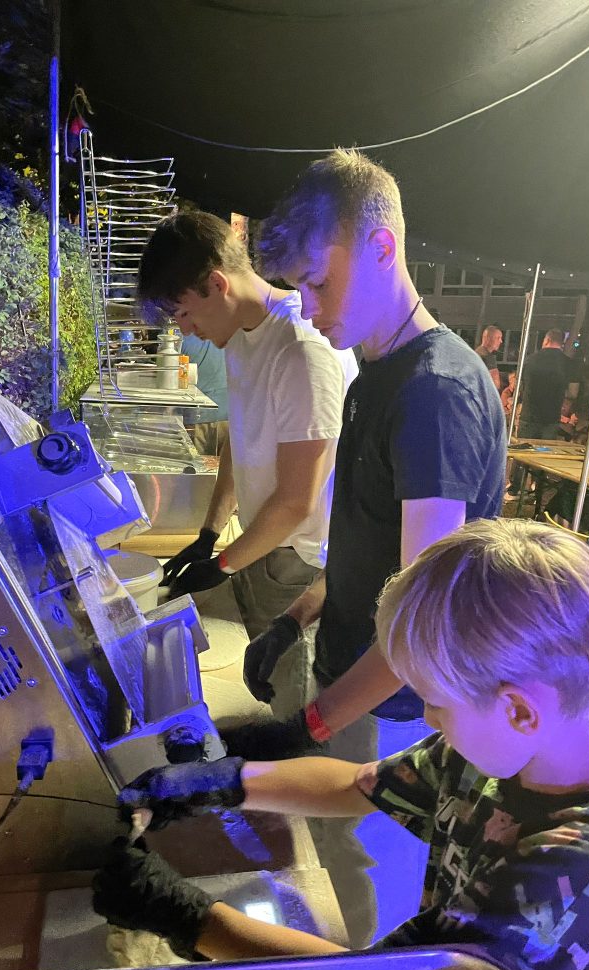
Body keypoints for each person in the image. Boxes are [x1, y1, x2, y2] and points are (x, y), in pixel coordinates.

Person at [94, 518, 589, 970]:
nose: (428, 719)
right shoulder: (488, 760)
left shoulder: (573, 882)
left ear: (518, 711)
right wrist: (226, 783)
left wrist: (189, 918)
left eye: (435, 702)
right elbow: (357, 786)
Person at [231, 149, 505, 752]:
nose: (307, 307)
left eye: (318, 282)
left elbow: (421, 622)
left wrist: (309, 726)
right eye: (298, 288)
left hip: (400, 710)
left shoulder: (435, 393)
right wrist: (294, 618)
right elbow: (368, 546)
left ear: (382, 249)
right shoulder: (373, 377)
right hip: (349, 680)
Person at [137, 210, 357, 719]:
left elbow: (298, 501)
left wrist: (223, 565)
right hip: (264, 543)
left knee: (299, 708)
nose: (185, 330)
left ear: (217, 284)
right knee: (273, 691)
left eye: (183, 313)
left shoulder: (301, 350)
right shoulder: (241, 336)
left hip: (302, 562)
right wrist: (210, 533)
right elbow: (241, 439)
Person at [505, 328, 576, 499]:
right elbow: (573, 392)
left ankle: (515, 488)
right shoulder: (566, 363)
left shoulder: (530, 360)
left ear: (546, 340)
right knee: (543, 455)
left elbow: (520, 386)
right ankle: (538, 487)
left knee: (522, 453)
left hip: (529, 413)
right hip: (551, 417)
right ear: (561, 343)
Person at [179, 332, 229, 456]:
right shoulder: (225, 332)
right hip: (229, 417)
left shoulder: (180, 335)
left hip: (197, 419)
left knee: (198, 466)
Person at [474, 324, 503, 390]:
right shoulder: (487, 357)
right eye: (498, 338)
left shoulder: (476, 353)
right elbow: (495, 385)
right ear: (488, 338)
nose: (501, 341)